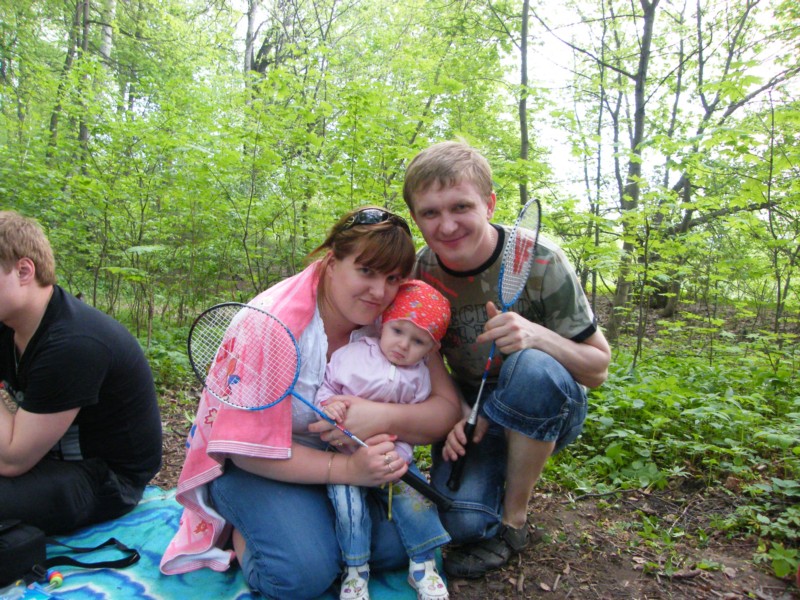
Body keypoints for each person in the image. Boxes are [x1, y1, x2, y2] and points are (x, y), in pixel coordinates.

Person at [160, 207, 462, 600]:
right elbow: (243, 450)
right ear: (332, 263)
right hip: (262, 465)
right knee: (301, 575)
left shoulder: (398, 315)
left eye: (392, 278)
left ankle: (312, 528)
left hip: (353, 461)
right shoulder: (270, 324)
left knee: (399, 545)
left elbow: (445, 410)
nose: (379, 292)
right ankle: (246, 530)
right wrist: (347, 470)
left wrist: (380, 417)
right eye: (366, 271)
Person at [402, 141, 612, 579]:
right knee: (462, 526)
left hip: (547, 401)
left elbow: (597, 368)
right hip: (474, 407)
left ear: (490, 203)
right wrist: (458, 410)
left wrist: (537, 336)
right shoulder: (422, 273)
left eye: (461, 206)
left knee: (531, 366)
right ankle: (489, 488)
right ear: (416, 218)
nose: (447, 225)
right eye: (430, 213)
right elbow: (424, 355)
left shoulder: (539, 260)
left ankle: (515, 519)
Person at [0, 211, 162, 535]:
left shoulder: (74, 342)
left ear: (24, 271)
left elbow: (12, 460)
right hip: (45, 456)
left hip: (106, 478)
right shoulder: (11, 324)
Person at [316, 279, 452, 600]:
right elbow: (326, 388)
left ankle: (423, 564)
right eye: (397, 331)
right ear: (383, 324)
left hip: (392, 455)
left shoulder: (420, 376)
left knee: (416, 502)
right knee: (348, 508)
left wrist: (402, 450)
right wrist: (329, 405)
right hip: (346, 453)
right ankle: (355, 570)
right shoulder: (352, 355)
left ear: (432, 349)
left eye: (418, 341)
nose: (403, 345)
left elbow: (417, 420)